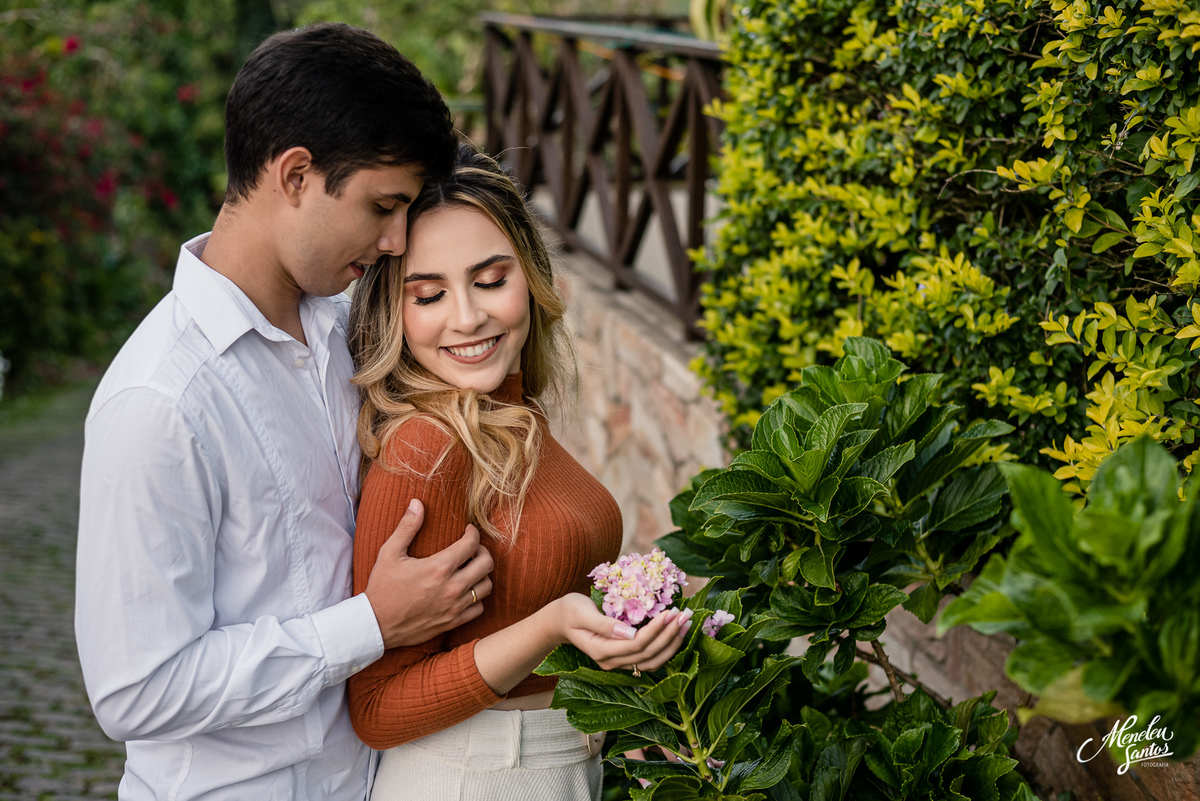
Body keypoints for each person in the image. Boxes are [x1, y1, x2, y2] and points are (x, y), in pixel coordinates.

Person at [75, 23, 496, 800]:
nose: (398, 240)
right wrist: (370, 624)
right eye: (383, 206)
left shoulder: (349, 330)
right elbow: (134, 689)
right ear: (296, 174)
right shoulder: (159, 403)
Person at [346, 143, 692, 800]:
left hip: (553, 764)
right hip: (471, 774)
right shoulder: (427, 444)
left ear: (530, 278)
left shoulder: (514, 412)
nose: (468, 316)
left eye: (490, 279)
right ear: (396, 309)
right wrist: (552, 626)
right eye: (429, 294)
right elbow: (376, 708)